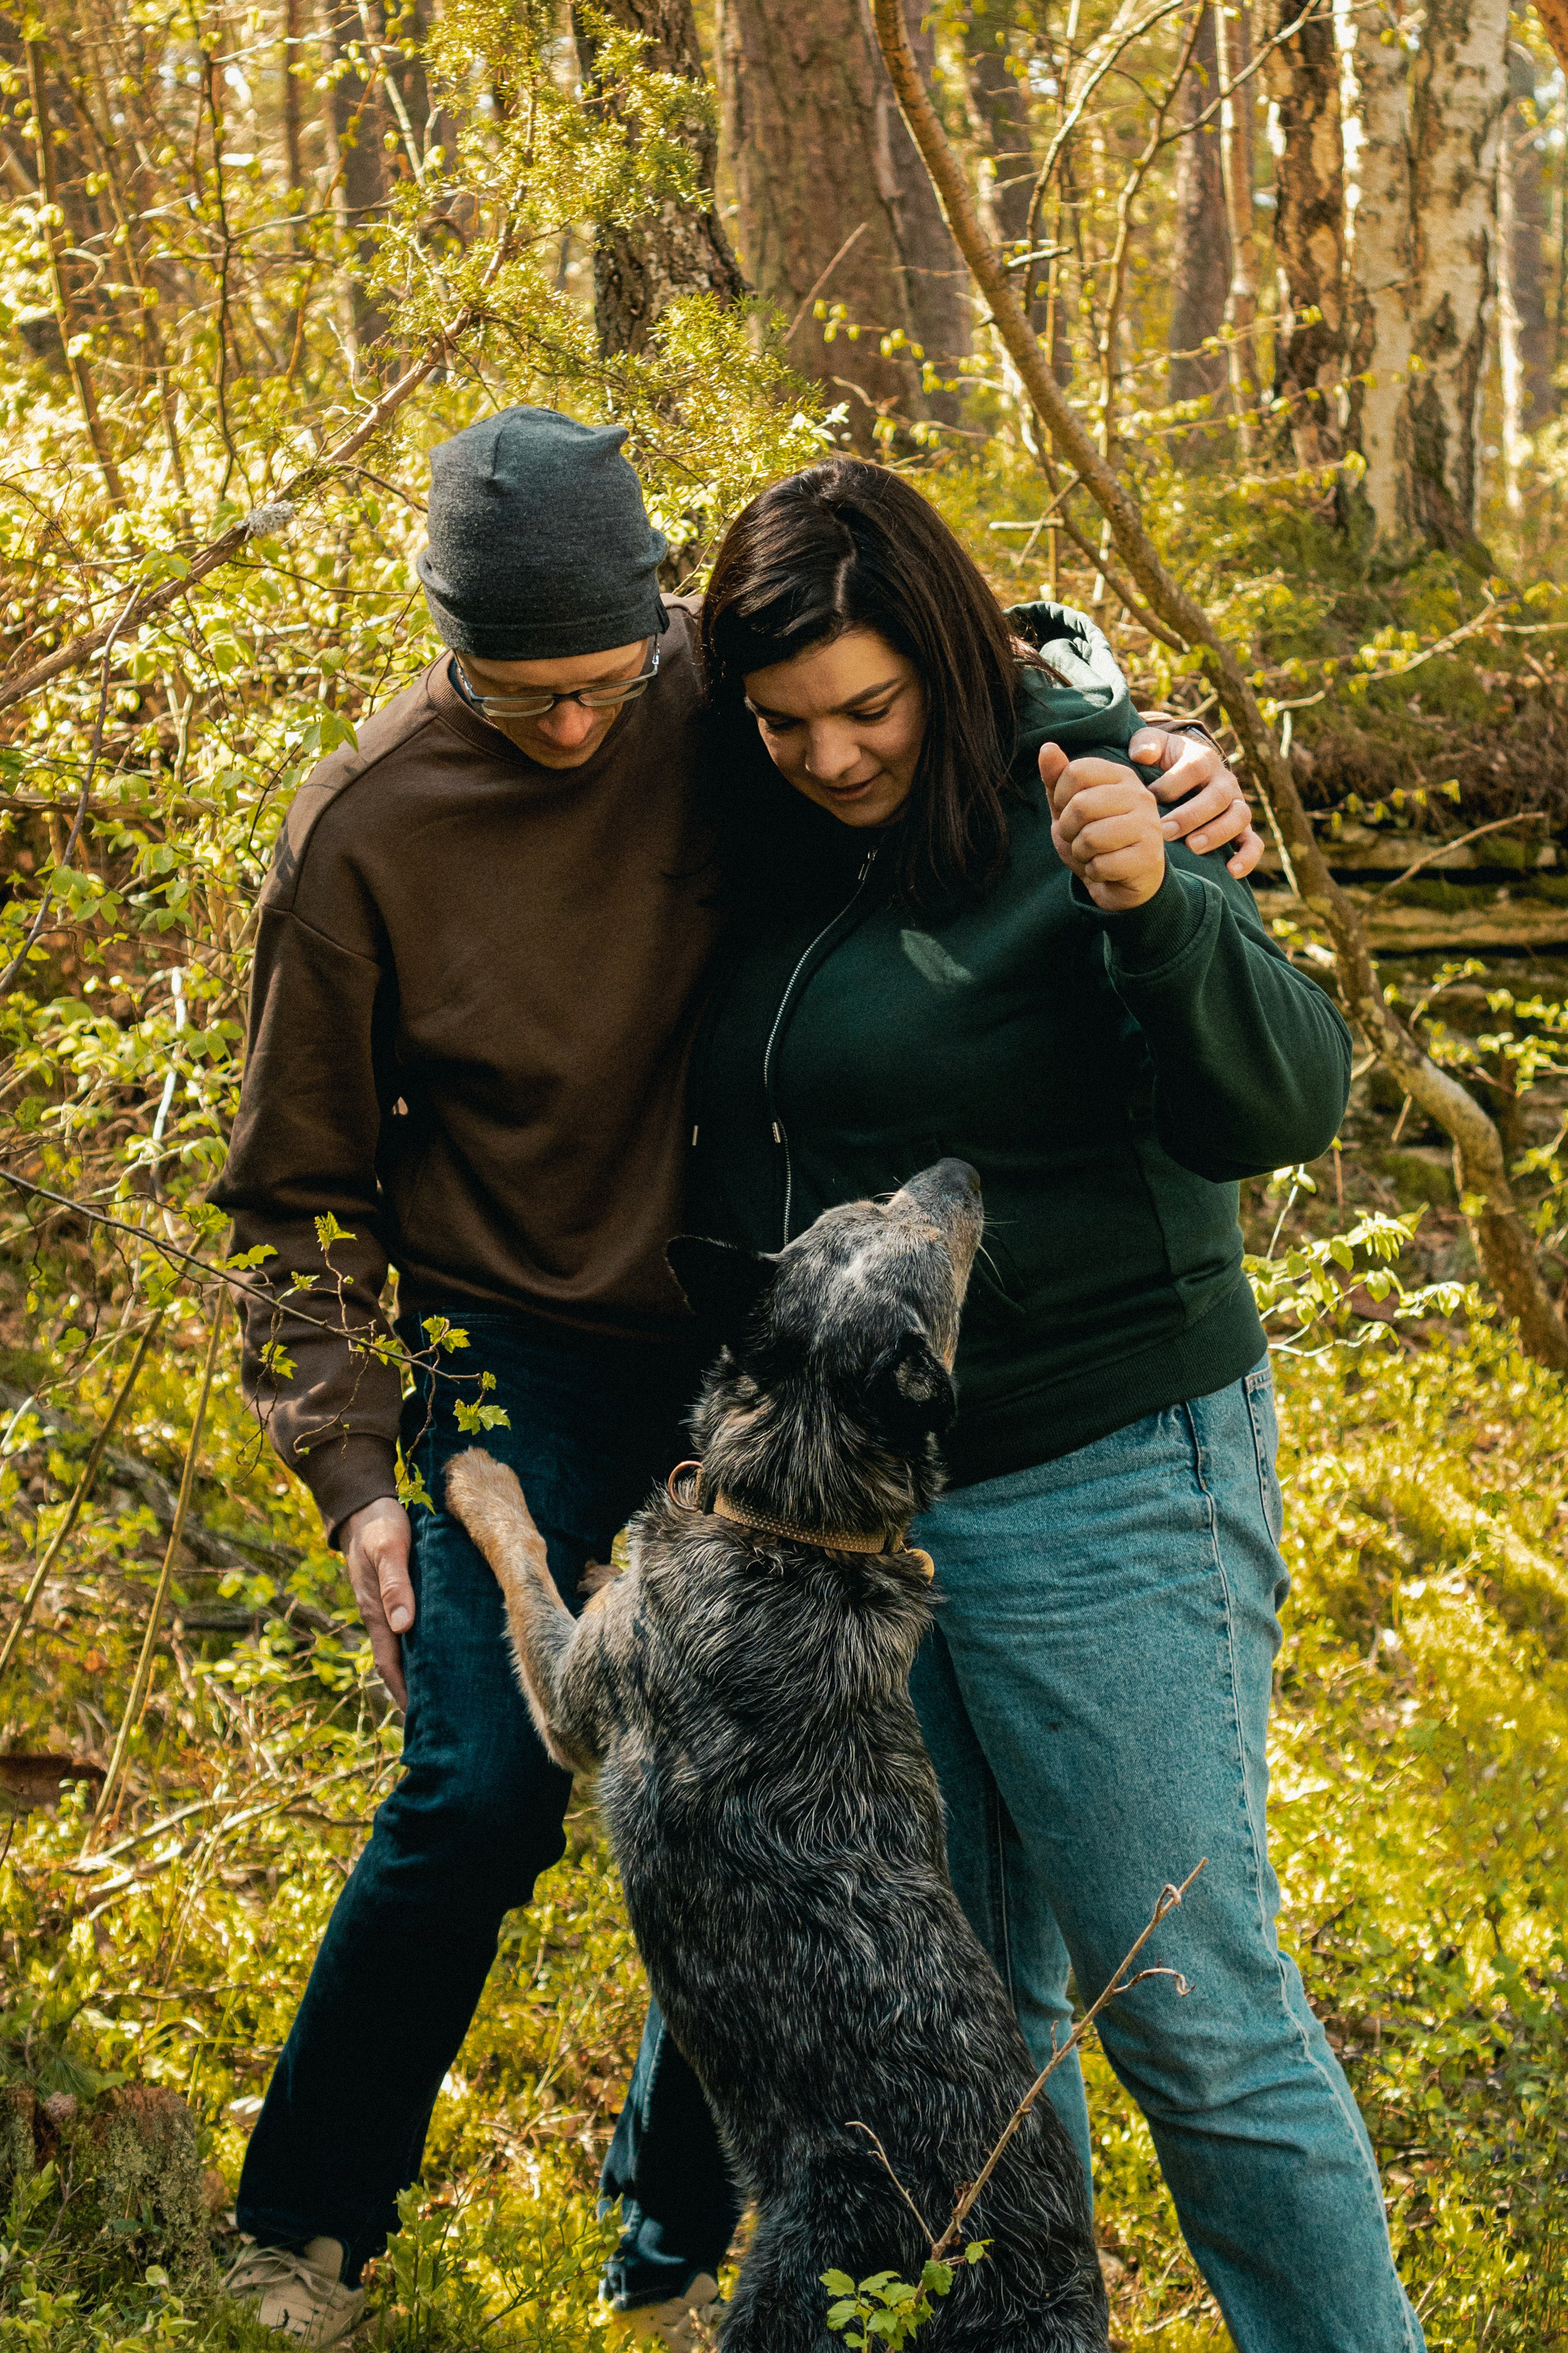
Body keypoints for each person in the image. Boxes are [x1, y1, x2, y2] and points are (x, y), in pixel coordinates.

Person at [212, 405, 1261, 2350]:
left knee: (771, 1806)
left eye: (614, 684)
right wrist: (362, 1473)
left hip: (749, 1321)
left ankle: (683, 2250)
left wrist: (1158, 763)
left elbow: (941, 659)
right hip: (513, 1345)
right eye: (525, 695)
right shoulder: (365, 833)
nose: (581, 728)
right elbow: (291, 1194)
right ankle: (304, 2227)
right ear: (447, 643)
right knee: (479, 1780)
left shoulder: (723, 697)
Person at [659, 458, 1426, 2353]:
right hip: (862, 1531)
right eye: (786, 721)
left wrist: (1160, 900)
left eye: (871, 708)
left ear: (943, 655)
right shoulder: (760, 830)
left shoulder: (1097, 792)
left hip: (1106, 1478)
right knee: (967, 2009)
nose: (833, 753)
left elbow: (1287, 1105)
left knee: (1192, 2002)